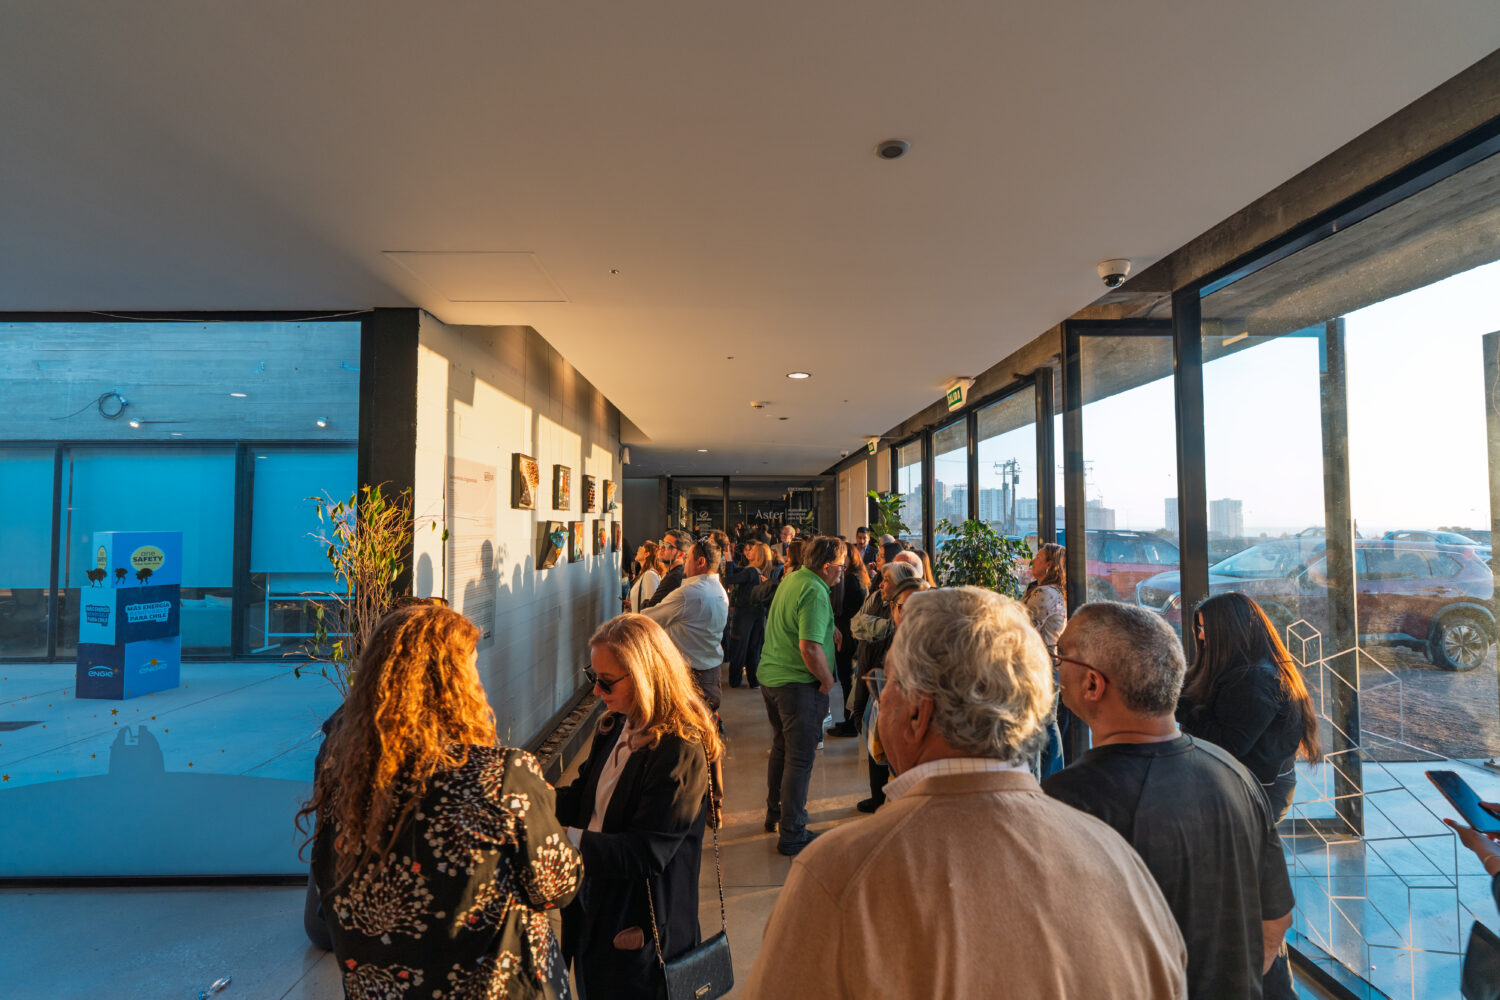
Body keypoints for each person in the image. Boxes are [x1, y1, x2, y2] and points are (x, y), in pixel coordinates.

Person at [742, 587, 1188, 999]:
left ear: (918, 713)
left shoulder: (841, 873)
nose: (881, 698)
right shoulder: (1119, 861)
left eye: (888, 681)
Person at [302, 603, 581, 1000]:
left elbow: (330, 890)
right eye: (472, 669)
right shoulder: (500, 776)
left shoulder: (345, 784)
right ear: (455, 685)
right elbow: (557, 886)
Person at [1043, 601, 1295, 1000]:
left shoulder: (1066, 802)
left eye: (1061, 657)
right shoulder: (1236, 775)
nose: (1056, 667)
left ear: (1093, 684)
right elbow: (1275, 922)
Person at [555, 614, 724, 1000]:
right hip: (596, 909)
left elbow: (648, 852)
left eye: (606, 681)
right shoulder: (616, 724)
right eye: (592, 676)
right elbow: (583, 799)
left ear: (645, 674)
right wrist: (529, 796)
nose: (596, 690)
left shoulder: (679, 748)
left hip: (642, 933)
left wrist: (563, 838)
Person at [1178, 591, 1323, 822]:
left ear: (1231, 630)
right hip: (1244, 784)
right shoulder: (1241, 669)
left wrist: (1182, 709)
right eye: (1200, 628)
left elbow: (1229, 744)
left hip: (1257, 792)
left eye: (1207, 628)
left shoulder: (1256, 680)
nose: (1202, 636)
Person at [758, 535, 845, 855]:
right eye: (841, 566)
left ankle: (775, 814)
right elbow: (808, 648)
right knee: (800, 758)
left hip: (773, 679)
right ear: (827, 566)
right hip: (797, 685)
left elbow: (799, 624)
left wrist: (830, 628)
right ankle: (792, 832)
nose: (843, 571)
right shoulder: (815, 591)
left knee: (782, 748)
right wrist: (827, 680)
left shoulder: (795, 579)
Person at [848, 560, 918, 811]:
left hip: (886, 683)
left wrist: (877, 627)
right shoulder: (877, 599)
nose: (880, 583)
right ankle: (877, 797)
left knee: (888, 742)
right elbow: (855, 625)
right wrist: (884, 626)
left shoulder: (909, 610)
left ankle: (888, 802)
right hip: (868, 674)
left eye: (886, 580)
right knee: (868, 732)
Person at [640, 536, 730, 715]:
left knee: (687, 727)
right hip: (710, 673)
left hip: (690, 676)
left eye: (688, 558)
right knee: (704, 725)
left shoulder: (688, 594)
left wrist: (644, 605)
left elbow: (647, 619)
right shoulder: (719, 589)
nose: (684, 562)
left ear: (701, 562)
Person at [1023, 541, 1067, 778]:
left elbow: (1023, 625)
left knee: (1045, 723)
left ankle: (1049, 778)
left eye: (1038, 558)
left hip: (1041, 662)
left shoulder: (1046, 594)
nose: (1033, 561)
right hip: (1045, 662)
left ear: (1049, 565)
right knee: (1047, 722)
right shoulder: (1045, 591)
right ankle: (1051, 778)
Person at [825, 539, 869, 737]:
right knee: (848, 680)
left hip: (847, 634)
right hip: (852, 633)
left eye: (843, 557)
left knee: (847, 680)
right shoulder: (858, 576)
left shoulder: (850, 579)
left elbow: (842, 608)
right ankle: (849, 720)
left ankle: (850, 722)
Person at [726, 541, 773, 688]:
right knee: (754, 648)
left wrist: (728, 561)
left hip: (744, 612)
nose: (748, 552)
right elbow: (738, 570)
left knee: (739, 647)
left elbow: (730, 579)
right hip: (758, 612)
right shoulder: (763, 571)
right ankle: (754, 681)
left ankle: (735, 680)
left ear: (758, 555)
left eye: (752, 550)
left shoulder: (750, 571)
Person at [640, 529, 691, 610]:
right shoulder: (673, 572)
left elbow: (649, 609)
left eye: (667, 545)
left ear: (680, 554)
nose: (661, 547)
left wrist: (645, 602)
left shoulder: (674, 577)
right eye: (662, 543)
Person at [626, 540, 663, 613]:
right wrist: (632, 605)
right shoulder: (644, 573)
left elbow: (651, 607)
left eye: (640, 549)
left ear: (646, 554)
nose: (637, 551)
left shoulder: (650, 575)